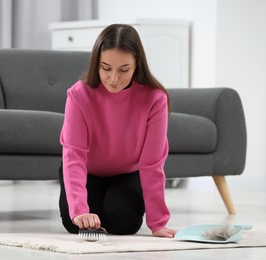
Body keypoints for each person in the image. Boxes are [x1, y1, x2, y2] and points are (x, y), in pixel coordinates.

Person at [58, 23, 177, 238]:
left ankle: (108, 204)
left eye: (124, 70)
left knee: (123, 224)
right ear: (96, 63)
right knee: (76, 222)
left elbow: (152, 164)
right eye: (106, 68)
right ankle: (95, 204)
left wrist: (158, 223)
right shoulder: (78, 95)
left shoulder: (155, 99)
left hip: (128, 174)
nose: (114, 79)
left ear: (136, 65)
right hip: (87, 172)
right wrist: (79, 209)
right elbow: (73, 156)